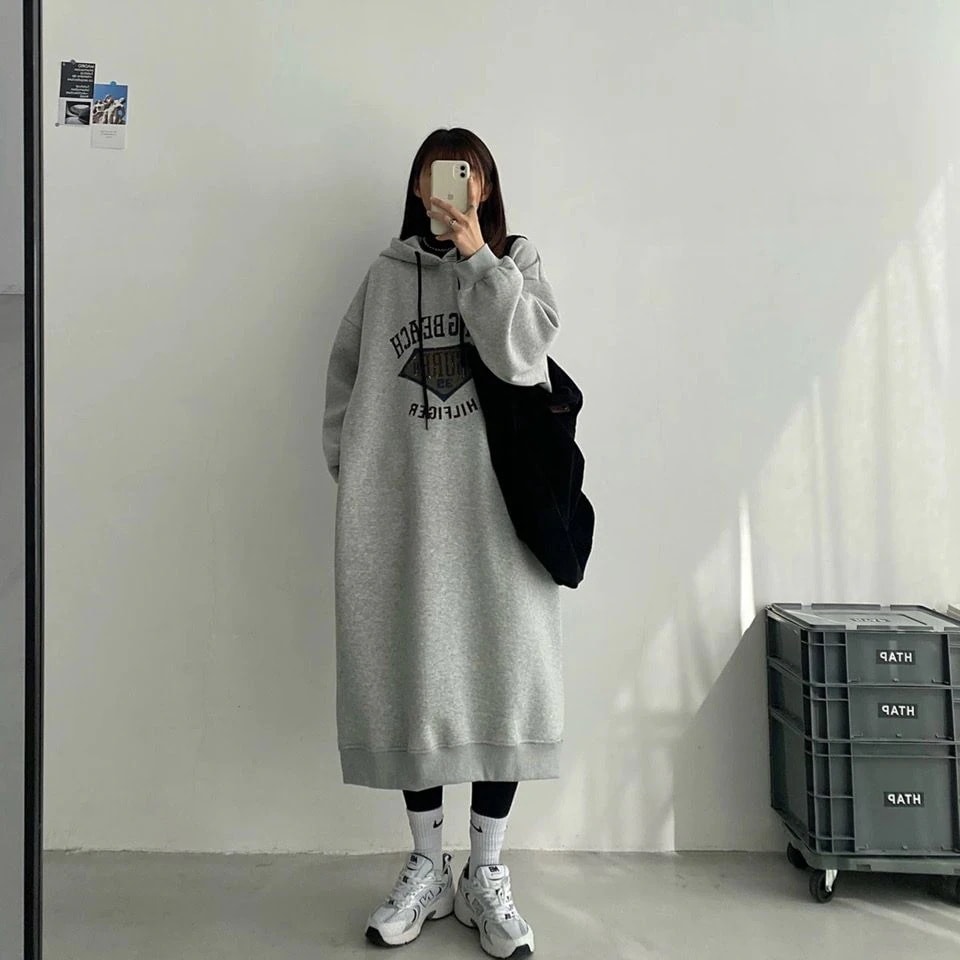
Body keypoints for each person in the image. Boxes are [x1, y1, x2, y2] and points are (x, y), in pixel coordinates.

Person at [322, 127, 563, 958]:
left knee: (506, 676)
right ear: (418, 189)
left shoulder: (517, 263)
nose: (450, 193)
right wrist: (354, 472)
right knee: (412, 675)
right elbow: (345, 377)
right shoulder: (386, 276)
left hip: (503, 516)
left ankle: (485, 872)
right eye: (437, 179)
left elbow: (524, 353)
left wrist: (476, 261)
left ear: (484, 188)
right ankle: (428, 864)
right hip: (405, 516)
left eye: (464, 178)